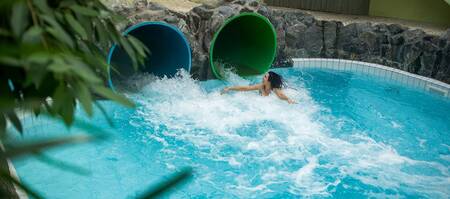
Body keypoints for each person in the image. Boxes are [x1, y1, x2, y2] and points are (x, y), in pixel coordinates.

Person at [221, 71, 296, 104]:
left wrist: (288, 99)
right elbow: (246, 88)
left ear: (269, 81)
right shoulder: (261, 86)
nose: (263, 77)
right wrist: (230, 88)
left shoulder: (275, 89)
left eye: (265, 77)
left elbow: (280, 95)